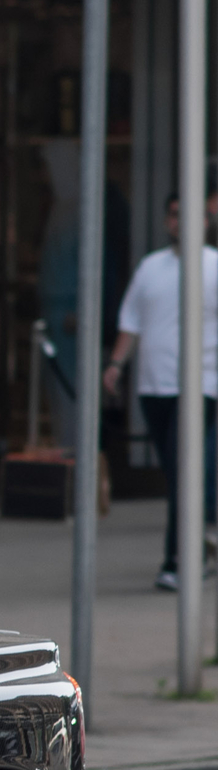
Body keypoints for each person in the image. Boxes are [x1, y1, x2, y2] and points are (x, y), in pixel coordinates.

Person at [104, 189, 218, 592]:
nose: (179, 222)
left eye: (188, 215)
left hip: (200, 386)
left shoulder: (214, 266)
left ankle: (177, 559)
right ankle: (198, 544)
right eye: (173, 214)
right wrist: (116, 364)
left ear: (205, 221)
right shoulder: (150, 267)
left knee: (182, 474)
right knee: (179, 474)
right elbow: (131, 321)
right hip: (154, 388)